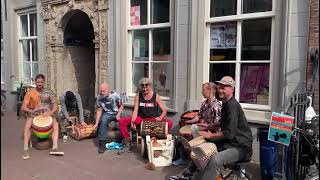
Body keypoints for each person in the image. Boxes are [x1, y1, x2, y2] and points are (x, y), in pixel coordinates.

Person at [170, 76, 253, 180]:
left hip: (241, 147)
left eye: (224, 87)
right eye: (220, 86)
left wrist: (211, 135)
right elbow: (223, 122)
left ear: (232, 89)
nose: (220, 89)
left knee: (216, 159)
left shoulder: (232, 106)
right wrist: (210, 126)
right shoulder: (226, 103)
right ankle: (186, 175)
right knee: (200, 150)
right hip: (231, 142)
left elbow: (229, 133)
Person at [118, 77, 173, 155]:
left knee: (169, 123)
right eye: (142, 86)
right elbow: (135, 109)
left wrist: (160, 118)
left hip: (153, 119)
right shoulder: (138, 96)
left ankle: (160, 141)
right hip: (141, 119)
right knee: (122, 121)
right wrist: (133, 120)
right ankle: (127, 143)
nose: (144, 88)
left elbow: (164, 110)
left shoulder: (155, 96)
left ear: (150, 86)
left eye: (146, 86)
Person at [173, 82, 222, 166]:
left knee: (194, 128)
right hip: (203, 128)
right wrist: (188, 122)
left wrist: (206, 127)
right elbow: (198, 117)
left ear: (209, 90)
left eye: (203, 90)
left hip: (211, 131)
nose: (201, 92)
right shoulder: (204, 103)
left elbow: (218, 124)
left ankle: (195, 156)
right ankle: (186, 157)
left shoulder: (216, 105)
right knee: (185, 132)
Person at [21, 74, 64, 160]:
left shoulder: (49, 92)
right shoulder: (30, 92)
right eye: (38, 82)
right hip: (34, 114)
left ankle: (55, 148)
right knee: (27, 126)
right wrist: (32, 111)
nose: (39, 84)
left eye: (41, 82)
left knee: (55, 125)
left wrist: (50, 112)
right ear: (35, 82)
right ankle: (25, 149)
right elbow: (23, 107)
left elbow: (55, 106)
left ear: (44, 82)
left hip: (46, 114)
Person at [93, 83, 125, 154]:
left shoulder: (115, 95)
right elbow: (99, 110)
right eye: (100, 91)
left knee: (124, 121)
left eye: (103, 91)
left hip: (117, 112)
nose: (101, 92)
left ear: (108, 90)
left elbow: (121, 105)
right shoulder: (99, 98)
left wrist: (119, 114)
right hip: (108, 113)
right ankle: (102, 144)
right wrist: (96, 123)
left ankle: (125, 141)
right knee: (103, 120)